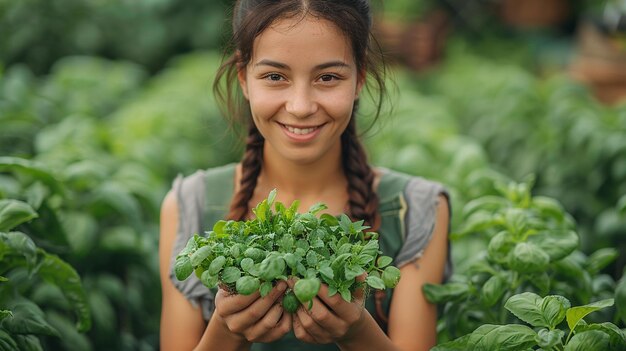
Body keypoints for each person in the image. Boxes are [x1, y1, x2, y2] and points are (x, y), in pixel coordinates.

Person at [158, 1, 452, 350]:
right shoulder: (189, 203)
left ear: (360, 78)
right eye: (275, 77)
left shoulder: (416, 209)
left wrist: (357, 331)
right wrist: (226, 331)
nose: (300, 106)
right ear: (244, 78)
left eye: (327, 77)